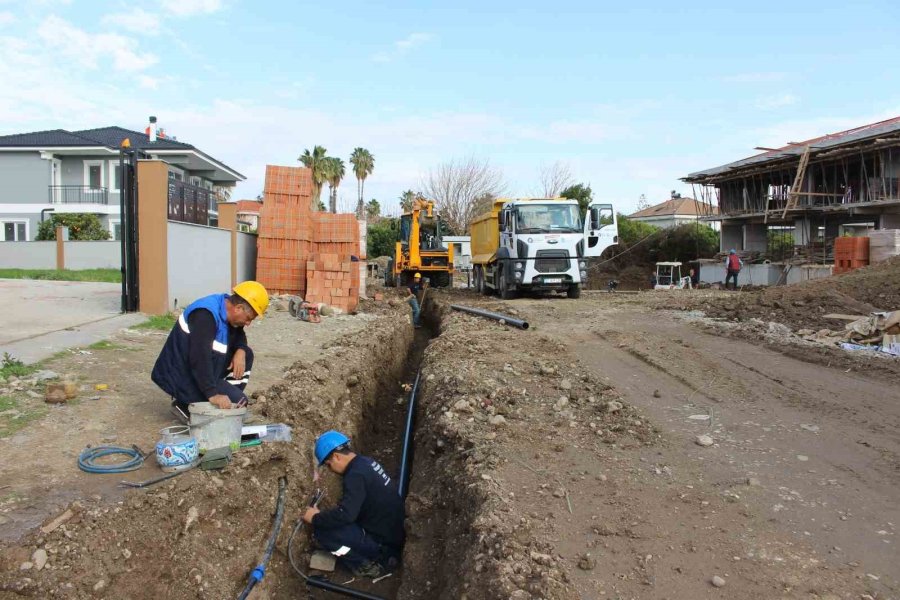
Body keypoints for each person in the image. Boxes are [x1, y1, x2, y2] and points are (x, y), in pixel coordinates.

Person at [151, 281, 269, 422]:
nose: (248, 323)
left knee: (246, 354)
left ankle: (224, 402)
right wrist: (212, 394)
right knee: (240, 401)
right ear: (238, 308)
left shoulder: (226, 309)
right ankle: (184, 404)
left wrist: (241, 350)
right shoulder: (205, 315)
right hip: (182, 375)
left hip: (199, 369)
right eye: (249, 319)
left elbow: (238, 335)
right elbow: (199, 358)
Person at [304, 430, 405, 578]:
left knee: (322, 533)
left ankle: (366, 564)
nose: (331, 470)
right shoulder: (365, 463)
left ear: (336, 457)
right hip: (394, 532)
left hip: (384, 546)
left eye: (328, 465)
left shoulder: (354, 476)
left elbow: (346, 515)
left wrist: (315, 518)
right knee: (333, 519)